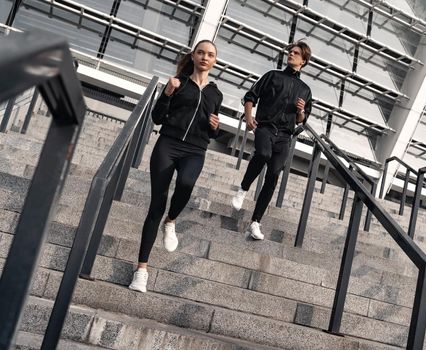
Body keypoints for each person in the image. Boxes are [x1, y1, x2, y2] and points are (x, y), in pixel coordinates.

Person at [129, 40, 222, 293]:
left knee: (186, 185)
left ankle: (171, 221)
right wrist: (168, 93)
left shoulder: (215, 94)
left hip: (195, 150)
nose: (205, 57)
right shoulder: (177, 83)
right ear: (193, 56)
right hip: (168, 145)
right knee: (155, 205)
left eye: (210, 55)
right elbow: (157, 117)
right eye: (201, 52)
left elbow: (212, 133)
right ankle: (141, 271)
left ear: (214, 61)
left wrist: (215, 126)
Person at [231, 41, 312, 240]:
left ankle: (256, 222)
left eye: (295, 53)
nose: (290, 54)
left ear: (304, 60)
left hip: (285, 136)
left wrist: (301, 110)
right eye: (290, 52)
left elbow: (302, 119)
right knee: (263, 154)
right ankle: (243, 189)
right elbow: (251, 96)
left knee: (274, 174)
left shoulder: (306, 90)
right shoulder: (272, 75)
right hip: (265, 127)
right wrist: (249, 117)